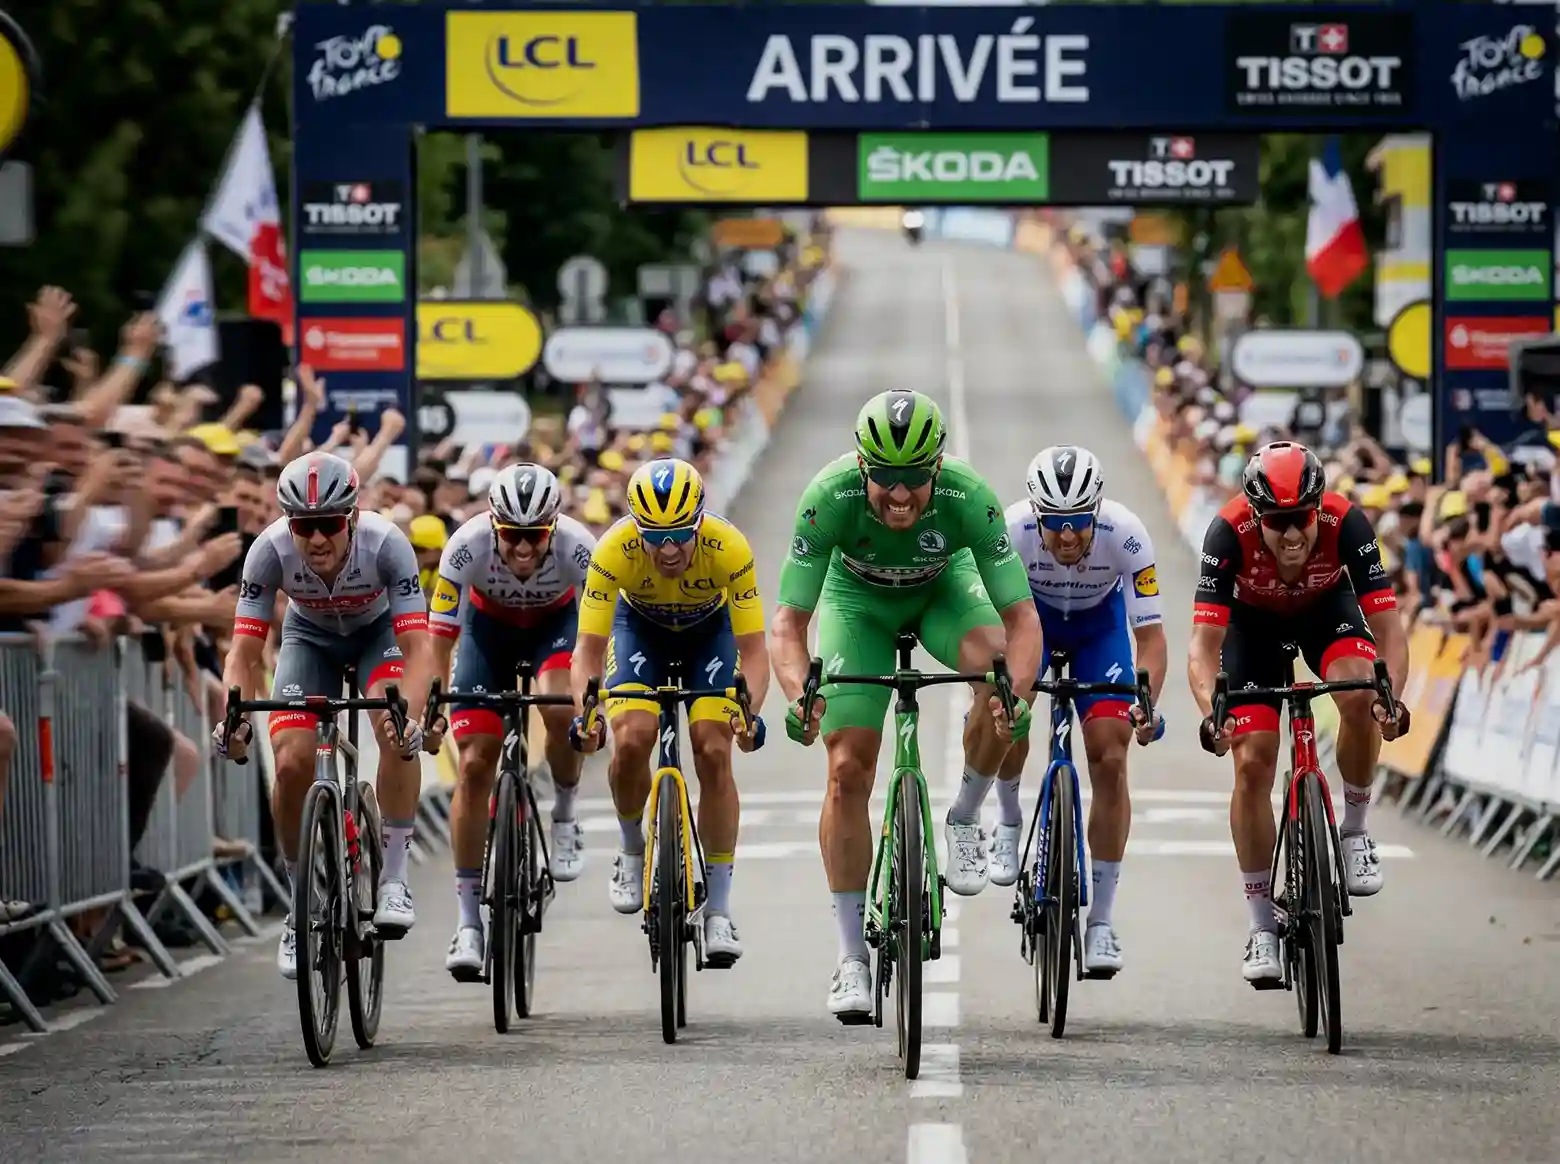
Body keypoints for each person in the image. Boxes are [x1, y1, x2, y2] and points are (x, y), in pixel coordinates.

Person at [770, 389, 1041, 1020]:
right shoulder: (827, 498)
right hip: (856, 604)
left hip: (942, 593)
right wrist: (798, 696)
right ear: (862, 468)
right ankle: (850, 959)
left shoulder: (969, 498)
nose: (899, 497)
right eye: (885, 480)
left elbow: (1022, 618)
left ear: (937, 468)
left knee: (996, 671)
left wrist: (1015, 695)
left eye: (914, 480)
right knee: (846, 768)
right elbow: (788, 624)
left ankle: (965, 814)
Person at [1187, 442, 1410, 986]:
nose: (1292, 536)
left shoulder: (1347, 522)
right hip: (1251, 629)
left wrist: (1391, 698)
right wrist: (1213, 714)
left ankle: (1354, 830)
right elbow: (1202, 647)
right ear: (1258, 516)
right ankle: (1263, 925)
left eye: (1301, 521)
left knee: (1359, 694)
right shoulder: (1227, 532)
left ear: (1318, 509)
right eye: (1278, 523)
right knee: (1252, 761)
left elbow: (1390, 633)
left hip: (1323, 613)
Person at [214, 452, 434, 980]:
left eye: (329, 525)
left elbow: (418, 647)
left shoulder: (387, 544)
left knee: (391, 723)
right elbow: (244, 654)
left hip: (378, 636)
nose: (316, 540)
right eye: (303, 526)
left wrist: (413, 715)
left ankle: (394, 877)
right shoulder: (267, 551)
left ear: (352, 518)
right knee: (290, 763)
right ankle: (299, 907)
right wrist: (235, 716)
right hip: (309, 639)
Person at [971, 445, 1169, 977]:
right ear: (1036, 514)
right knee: (1008, 715)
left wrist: (1146, 699)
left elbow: (1148, 637)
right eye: (1054, 524)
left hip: (1097, 631)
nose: (1065, 536)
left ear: (1096, 511)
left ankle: (1101, 921)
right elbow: (989, 623)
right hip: (1030, 621)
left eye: (1078, 523)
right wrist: (1004, 683)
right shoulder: (1010, 531)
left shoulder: (1126, 534)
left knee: (1110, 755)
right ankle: (1009, 818)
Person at [569, 457, 770, 968]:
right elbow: (588, 649)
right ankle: (633, 846)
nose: (670, 548)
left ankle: (720, 910)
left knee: (712, 746)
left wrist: (749, 713)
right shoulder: (613, 549)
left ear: (700, 520)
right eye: (656, 537)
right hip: (639, 630)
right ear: (637, 529)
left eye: (681, 533)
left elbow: (755, 649)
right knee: (632, 738)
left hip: (711, 634)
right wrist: (587, 712)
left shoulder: (729, 548)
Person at [426, 464, 597, 980]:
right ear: (494, 526)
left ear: (554, 527)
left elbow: (597, 641)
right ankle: (467, 922)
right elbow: (439, 641)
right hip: (488, 634)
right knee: (476, 763)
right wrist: (433, 705)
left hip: (556, 628)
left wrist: (596, 704)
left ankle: (565, 813)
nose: (524, 549)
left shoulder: (579, 548)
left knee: (556, 702)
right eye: (513, 536)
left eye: (535, 536)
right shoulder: (465, 546)